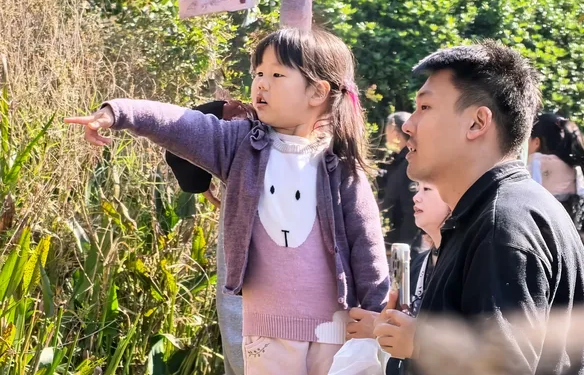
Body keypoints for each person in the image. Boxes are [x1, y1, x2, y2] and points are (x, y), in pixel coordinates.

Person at [65, 26, 390, 375]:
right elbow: (179, 124)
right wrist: (118, 113)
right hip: (267, 329)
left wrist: (376, 311)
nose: (261, 83)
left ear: (318, 92)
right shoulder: (239, 145)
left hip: (335, 327)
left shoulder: (337, 163)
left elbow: (366, 240)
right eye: (259, 73)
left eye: (277, 74)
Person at [372, 40, 584, 375]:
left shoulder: (504, 224)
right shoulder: (492, 211)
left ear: (477, 122)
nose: (408, 125)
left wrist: (422, 343)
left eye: (424, 108)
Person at [165, 98, 253, 375]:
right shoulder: (328, 145)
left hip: (247, 308)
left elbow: (178, 141)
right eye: (260, 75)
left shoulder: (243, 134)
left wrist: (218, 111)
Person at [347, 181, 450, 375]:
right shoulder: (419, 263)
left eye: (427, 189)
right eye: (416, 189)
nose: (416, 197)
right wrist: (383, 326)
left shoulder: (467, 259)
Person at [528, 112, 584, 250]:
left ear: (536, 141)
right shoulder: (577, 166)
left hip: (541, 239)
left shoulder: (536, 162)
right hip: (569, 241)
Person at [376, 113, 422, 253]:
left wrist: (404, 245)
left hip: (408, 248)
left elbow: (411, 208)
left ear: (395, 132)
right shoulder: (396, 161)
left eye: (387, 133)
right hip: (396, 245)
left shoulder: (410, 162)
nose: (386, 138)